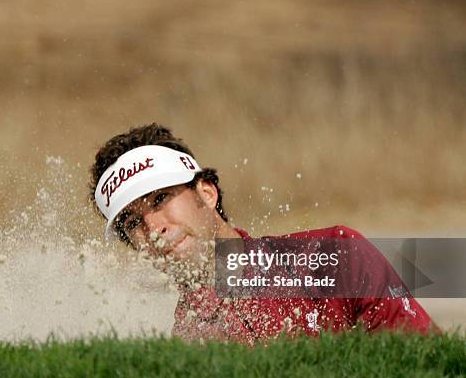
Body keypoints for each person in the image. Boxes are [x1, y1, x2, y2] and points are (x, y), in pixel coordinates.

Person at [88, 123, 435, 344]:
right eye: (133, 222)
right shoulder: (187, 344)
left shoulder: (334, 258)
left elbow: (431, 371)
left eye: (161, 198)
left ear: (207, 193)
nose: (153, 228)